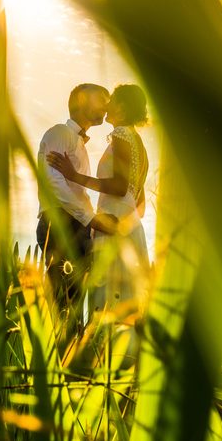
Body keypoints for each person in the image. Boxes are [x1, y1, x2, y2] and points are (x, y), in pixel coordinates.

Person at [47, 84, 150, 321]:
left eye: (111, 100)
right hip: (130, 225)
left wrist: (74, 176)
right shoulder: (139, 145)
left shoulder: (122, 134)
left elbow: (119, 186)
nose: (106, 105)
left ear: (122, 108)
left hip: (112, 223)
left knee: (108, 300)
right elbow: (139, 201)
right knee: (125, 301)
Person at [36, 83, 117, 334]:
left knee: (74, 304)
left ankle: (69, 362)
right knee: (61, 304)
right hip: (59, 224)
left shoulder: (79, 143)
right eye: (101, 99)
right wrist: (91, 219)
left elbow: (76, 192)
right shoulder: (60, 133)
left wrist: (90, 224)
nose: (106, 105)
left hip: (76, 227)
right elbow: (54, 185)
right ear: (82, 102)